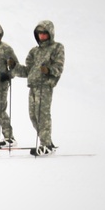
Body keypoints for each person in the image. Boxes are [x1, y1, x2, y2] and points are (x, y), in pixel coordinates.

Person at [14, 20, 65, 155]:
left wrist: (48, 70)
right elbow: (28, 71)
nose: (42, 36)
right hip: (33, 86)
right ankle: (46, 141)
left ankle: (46, 145)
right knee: (33, 116)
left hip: (45, 85)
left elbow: (59, 67)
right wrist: (14, 67)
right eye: (39, 33)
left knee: (43, 114)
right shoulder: (34, 51)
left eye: (44, 33)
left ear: (50, 33)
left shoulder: (57, 47)